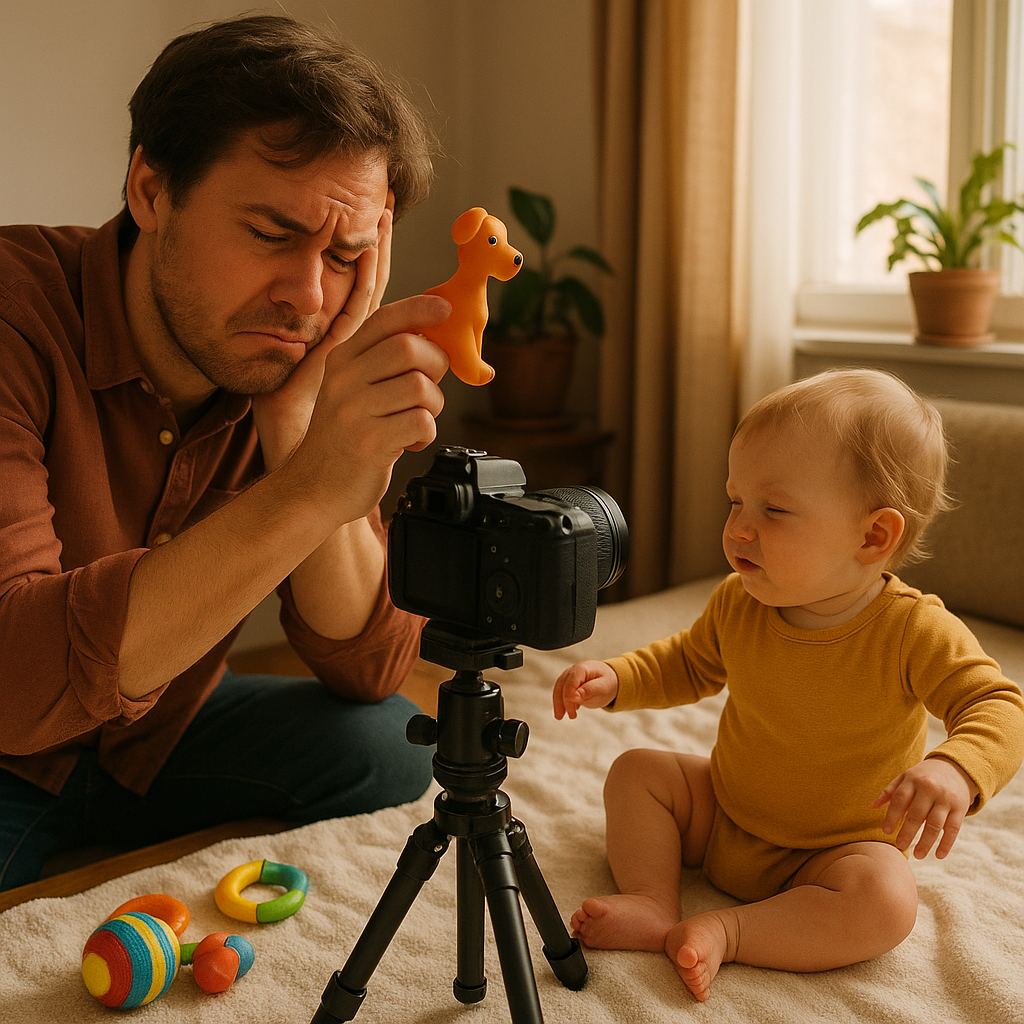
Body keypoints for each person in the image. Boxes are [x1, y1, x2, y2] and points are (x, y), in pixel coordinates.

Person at [0, 15, 455, 891]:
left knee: (397, 749)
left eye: (347, 252)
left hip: (154, 734)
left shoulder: (281, 361)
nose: (308, 296)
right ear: (150, 190)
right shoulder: (19, 316)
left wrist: (296, 431)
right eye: (272, 234)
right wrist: (313, 487)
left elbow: (368, 668)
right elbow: (17, 686)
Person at [551, 369, 1024, 1002]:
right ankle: (651, 902)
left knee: (887, 901)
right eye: (735, 501)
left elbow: (998, 704)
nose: (739, 528)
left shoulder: (913, 629)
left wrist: (956, 770)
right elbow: (689, 663)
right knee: (637, 772)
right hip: (726, 814)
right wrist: (618, 678)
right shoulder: (738, 601)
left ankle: (733, 930)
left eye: (773, 509)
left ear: (874, 536)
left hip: (834, 853)